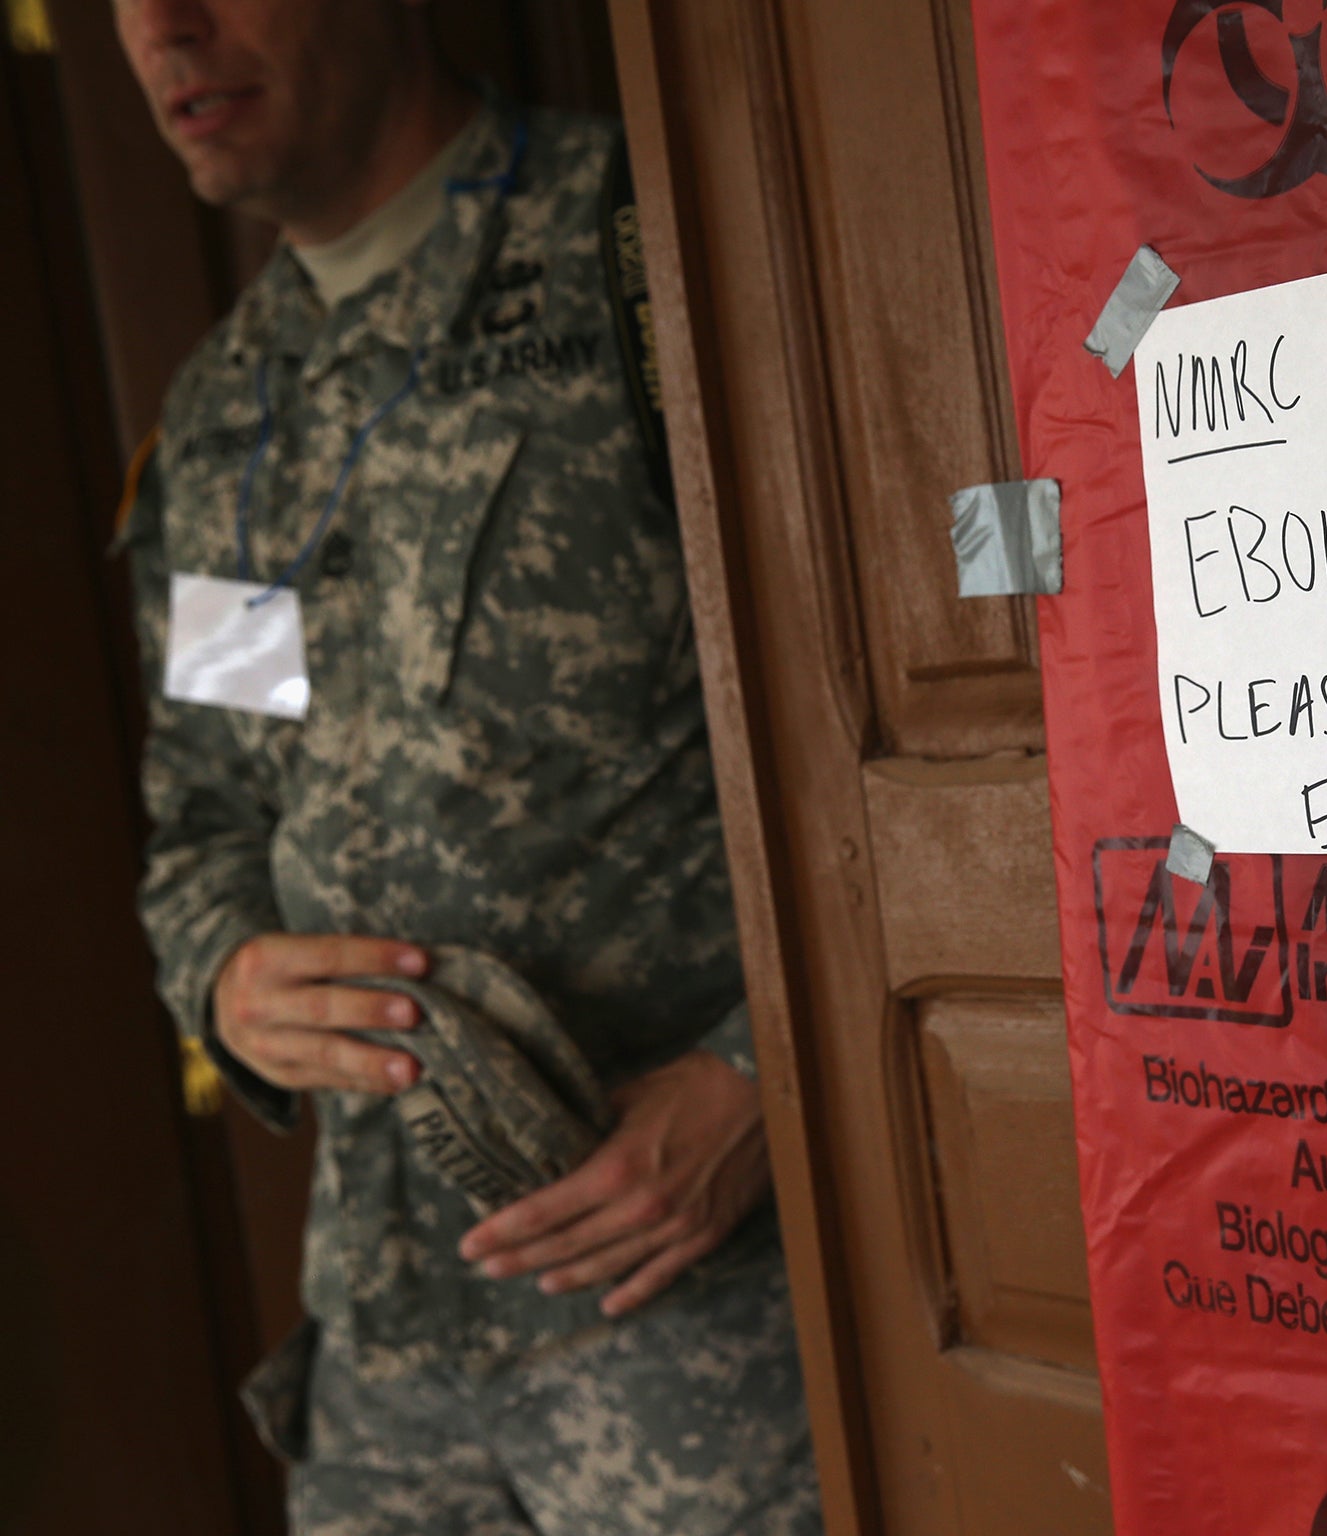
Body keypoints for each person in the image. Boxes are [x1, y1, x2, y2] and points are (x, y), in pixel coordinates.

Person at [109, 1, 819, 1531]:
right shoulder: (228, 411)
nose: (165, 30)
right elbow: (215, 806)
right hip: (384, 1349)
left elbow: (893, 722)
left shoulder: (645, 244)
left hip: (696, 1328)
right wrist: (228, 975)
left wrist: (772, 1073)